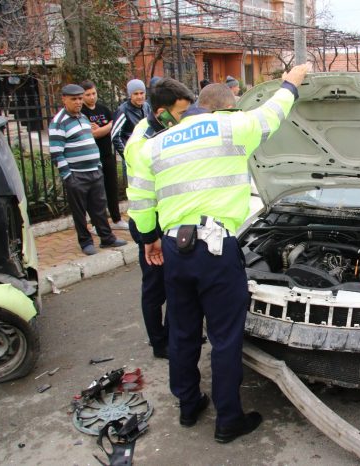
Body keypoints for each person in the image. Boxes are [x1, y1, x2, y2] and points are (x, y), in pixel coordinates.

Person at [127, 63, 309, 443]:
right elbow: (273, 113)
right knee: (225, 338)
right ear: (226, 108)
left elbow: (140, 200)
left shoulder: (155, 143)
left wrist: (150, 240)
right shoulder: (231, 126)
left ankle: (189, 405)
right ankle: (228, 420)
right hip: (215, 248)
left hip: (175, 247)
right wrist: (291, 83)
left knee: (182, 331)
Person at [125, 78, 195, 360]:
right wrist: (149, 237)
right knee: (155, 287)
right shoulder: (142, 143)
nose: (184, 119)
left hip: (167, 218)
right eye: (180, 113)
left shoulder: (163, 129)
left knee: (175, 282)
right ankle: (159, 342)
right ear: (161, 113)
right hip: (149, 222)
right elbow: (142, 198)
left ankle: (175, 334)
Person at [49, 84, 127, 255]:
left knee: (99, 207)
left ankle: (107, 238)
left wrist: (98, 166)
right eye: (74, 99)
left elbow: (90, 141)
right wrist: (68, 176)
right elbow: (56, 153)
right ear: (64, 99)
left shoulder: (83, 118)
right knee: (80, 211)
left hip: (94, 171)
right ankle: (85, 242)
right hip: (76, 174)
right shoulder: (59, 122)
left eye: (79, 98)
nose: (78, 102)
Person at [80, 80, 128, 230]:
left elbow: (113, 126)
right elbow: (93, 133)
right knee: (97, 192)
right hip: (93, 157)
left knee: (111, 187)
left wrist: (103, 128)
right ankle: (97, 223)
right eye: (88, 95)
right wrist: (106, 127)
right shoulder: (82, 113)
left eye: (93, 93)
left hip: (108, 154)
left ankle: (116, 219)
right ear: (82, 96)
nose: (92, 97)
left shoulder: (103, 109)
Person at [111, 79, 152, 167]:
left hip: (146, 154)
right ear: (130, 95)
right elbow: (115, 136)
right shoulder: (123, 110)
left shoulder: (147, 106)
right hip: (132, 156)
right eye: (136, 94)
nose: (140, 96)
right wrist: (128, 156)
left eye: (142, 93)